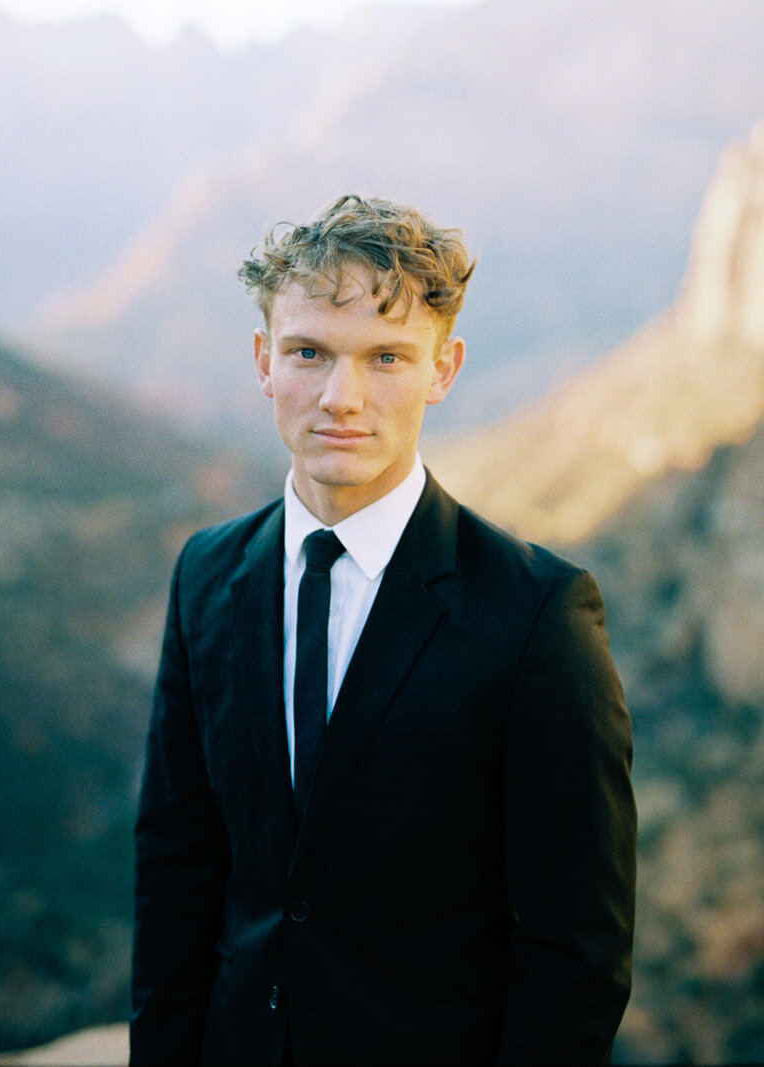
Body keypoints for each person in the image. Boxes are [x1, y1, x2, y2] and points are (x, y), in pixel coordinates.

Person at [130, 194, 636, 1066]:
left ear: (444, 370)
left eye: (387, 357)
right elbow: (178, 870)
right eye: (309, 352)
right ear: (264, 360)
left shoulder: (536, 615)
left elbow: (576, 950)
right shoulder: (205, 574)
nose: (342, 397)